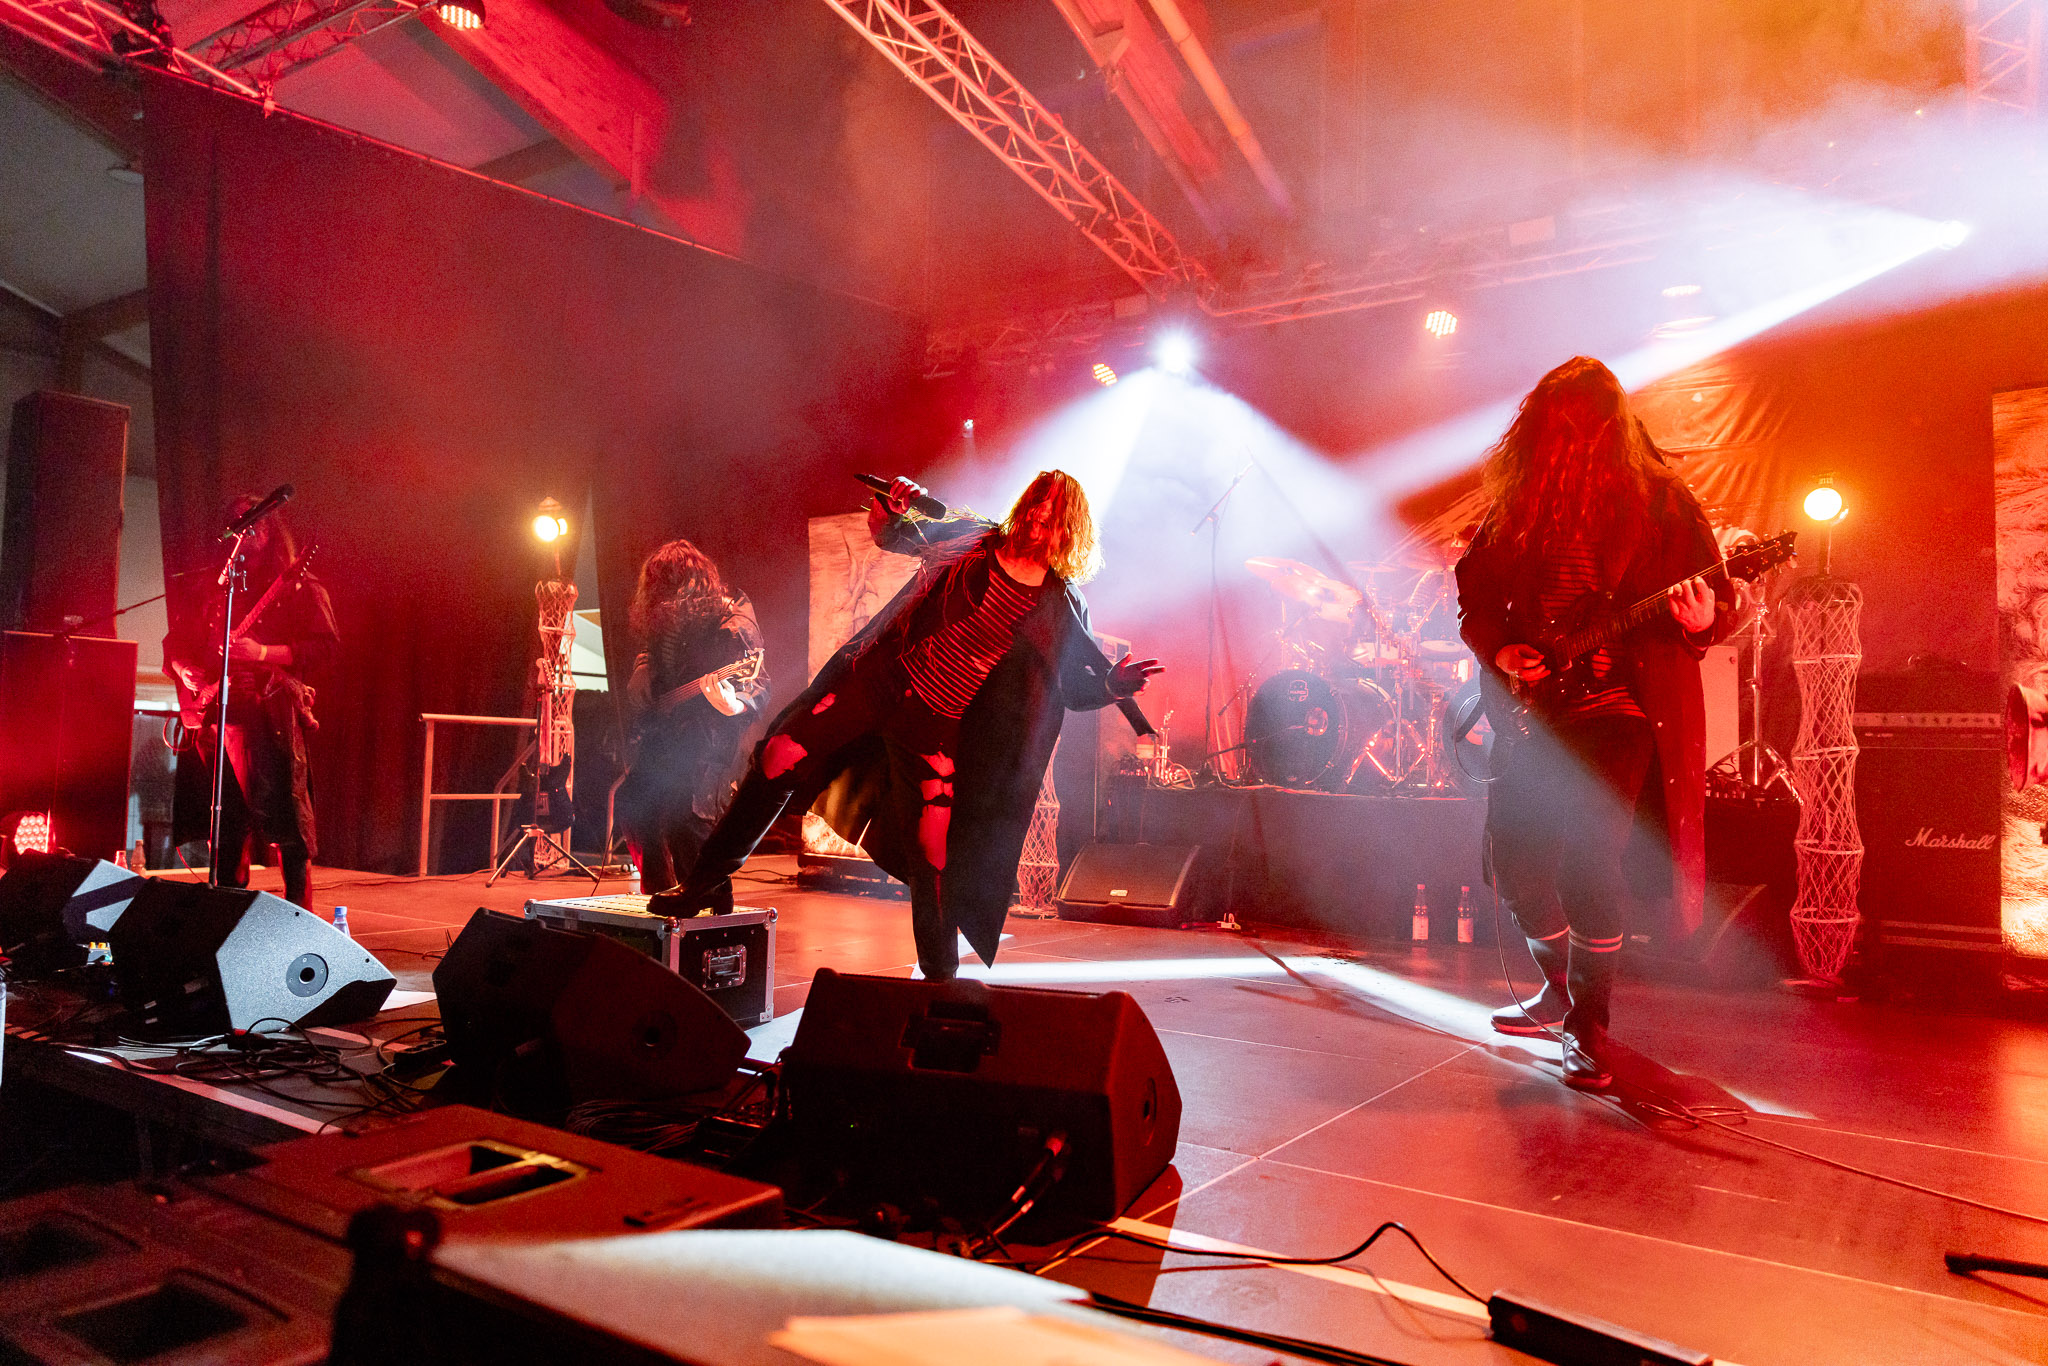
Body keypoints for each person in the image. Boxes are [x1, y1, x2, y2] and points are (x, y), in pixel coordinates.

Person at [655, 470, 1161, 980]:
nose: (1038, 517)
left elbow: (1069, 690)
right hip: (877, 678)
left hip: (936, 720)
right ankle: (704, 882)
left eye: (1051, 514)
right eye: (1035, 504)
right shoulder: (972, 538)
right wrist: (892, 511)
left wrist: (1112, 686)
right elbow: (895, 534)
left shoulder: (1061, 604)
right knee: (779, 753)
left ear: (1069, 530)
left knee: (934, 852)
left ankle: (940, 976)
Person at [1455, 357, 1732, 1089]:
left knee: (1589, 862)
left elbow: (1719, 598)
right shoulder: (1519, 501)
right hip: (1532, 712)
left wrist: (1704, 619)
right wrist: (1502, 650)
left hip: (1619, 710)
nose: (1577, 440)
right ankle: (1559, 988)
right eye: (1563, 427)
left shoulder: (1661, 500)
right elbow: (1473, 594)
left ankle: (1590, 1024)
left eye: (1591, 426)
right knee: (1515, 865)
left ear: (1615, 427)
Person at [165, 496, 338, 909]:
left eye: (257, 522)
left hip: (268, 713)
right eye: (241, 523)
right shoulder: (216, 587)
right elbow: (176, 644)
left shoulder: (297, 585)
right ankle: (227, 909)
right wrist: (185, 670)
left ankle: (299, 915)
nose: (248, 529)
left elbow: (325, 647)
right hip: (215, 715)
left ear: (272, 530)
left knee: (286, 820)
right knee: (225, 822)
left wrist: (261, 653)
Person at [615, 538, 768, 892]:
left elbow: (759, 681)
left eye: (667, 587)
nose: (660, 598)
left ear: (689, 585)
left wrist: (736, 703)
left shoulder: (732, 621)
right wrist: (643, 664)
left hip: (708, 737)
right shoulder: (667, 616)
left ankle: (709, 900)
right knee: (634, 800)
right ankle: (660, 893)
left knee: (683, 819)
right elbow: (654, 646)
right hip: (669, 731)